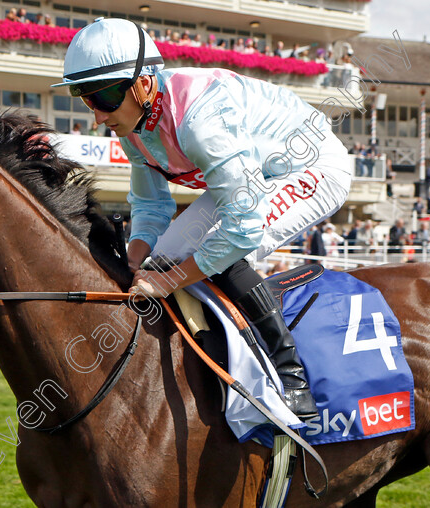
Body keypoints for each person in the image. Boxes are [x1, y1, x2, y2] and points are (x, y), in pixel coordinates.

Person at [54, 19, 352, 417]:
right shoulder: (132, 126)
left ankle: (291, 375)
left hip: (312, 166)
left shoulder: (199, 121)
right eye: (84, 99)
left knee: (218, 247)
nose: (96, 115)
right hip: (258, 173)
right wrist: (134, 259)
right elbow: (151, 207)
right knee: (161, 257)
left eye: (104, 97)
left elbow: (242, 230)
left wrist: (169, 280)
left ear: (144, 83)